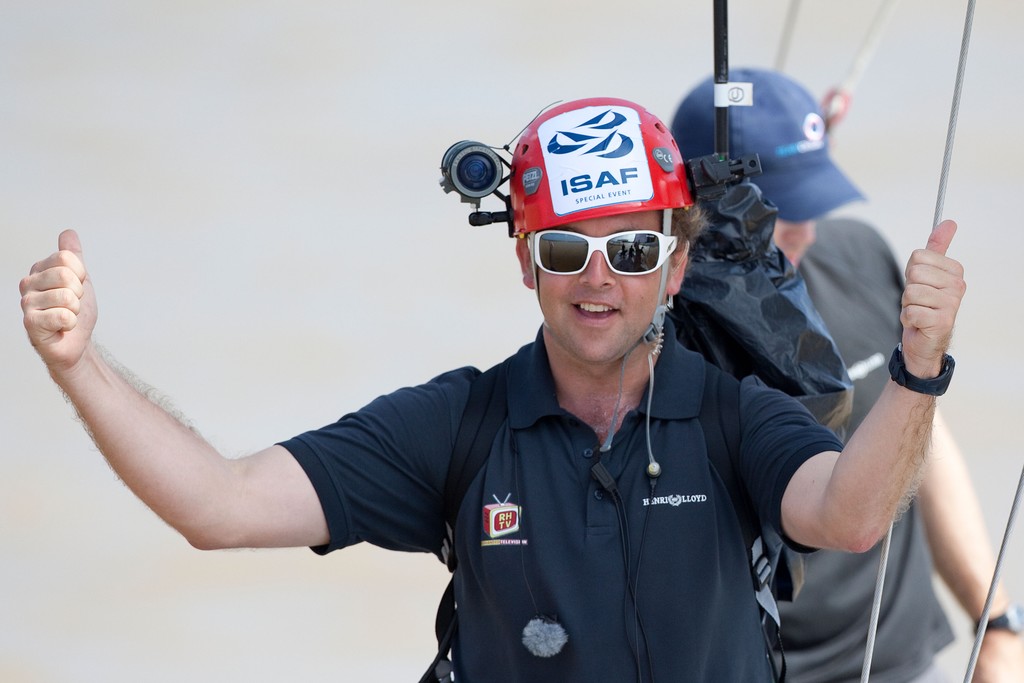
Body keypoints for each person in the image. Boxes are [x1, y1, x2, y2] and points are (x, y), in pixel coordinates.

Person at [20, 96, 966, 681]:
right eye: (566, 248)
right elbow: (218, 506)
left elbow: (850, 516)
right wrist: (79, 363)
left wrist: (917, 367)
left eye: (632, 250)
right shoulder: (458, 424)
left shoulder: (732, 414)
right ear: (526, 263)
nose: (599, 279)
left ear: (675, 267)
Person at [672, 68, 1024, 682]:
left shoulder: (858, 253)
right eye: (779, 211)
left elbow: (920, 434)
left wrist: (995, 624)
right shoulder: (660, 339)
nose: (806, 230)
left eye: (815, 200)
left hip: (901, 658)